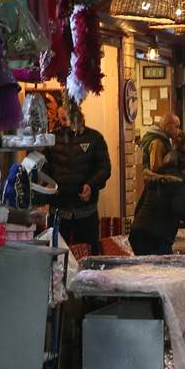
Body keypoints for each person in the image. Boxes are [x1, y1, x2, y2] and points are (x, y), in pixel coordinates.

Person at [45, 99, 111, 254]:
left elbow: (105, 168)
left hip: (86, 211)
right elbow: (43, 167)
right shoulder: (50, 139)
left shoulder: (95, 138)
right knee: (57, 257)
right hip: (59, 210)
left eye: (69, 118)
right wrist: (45, 184)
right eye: (62, 119)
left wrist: (91, 184)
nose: (66, 123)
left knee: (89, 258)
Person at [129, 147, 185, 255]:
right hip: (156, 237)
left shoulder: (158, 179)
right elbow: (180, 208)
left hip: (137, 233)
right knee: (162, 269)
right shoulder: (180, 183)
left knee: (146, 270)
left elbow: (139, 207)